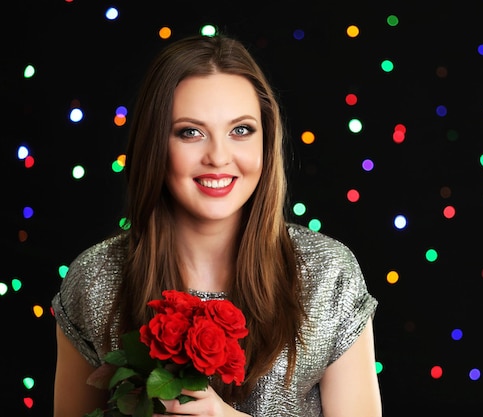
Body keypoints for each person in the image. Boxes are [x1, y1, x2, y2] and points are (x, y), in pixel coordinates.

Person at [52, 33, 382, 417]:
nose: (219, 157)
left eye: (241, 130)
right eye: (190, 132)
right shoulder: (95, 281)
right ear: (155, 143)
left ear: (266, 138)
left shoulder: (327, 274)